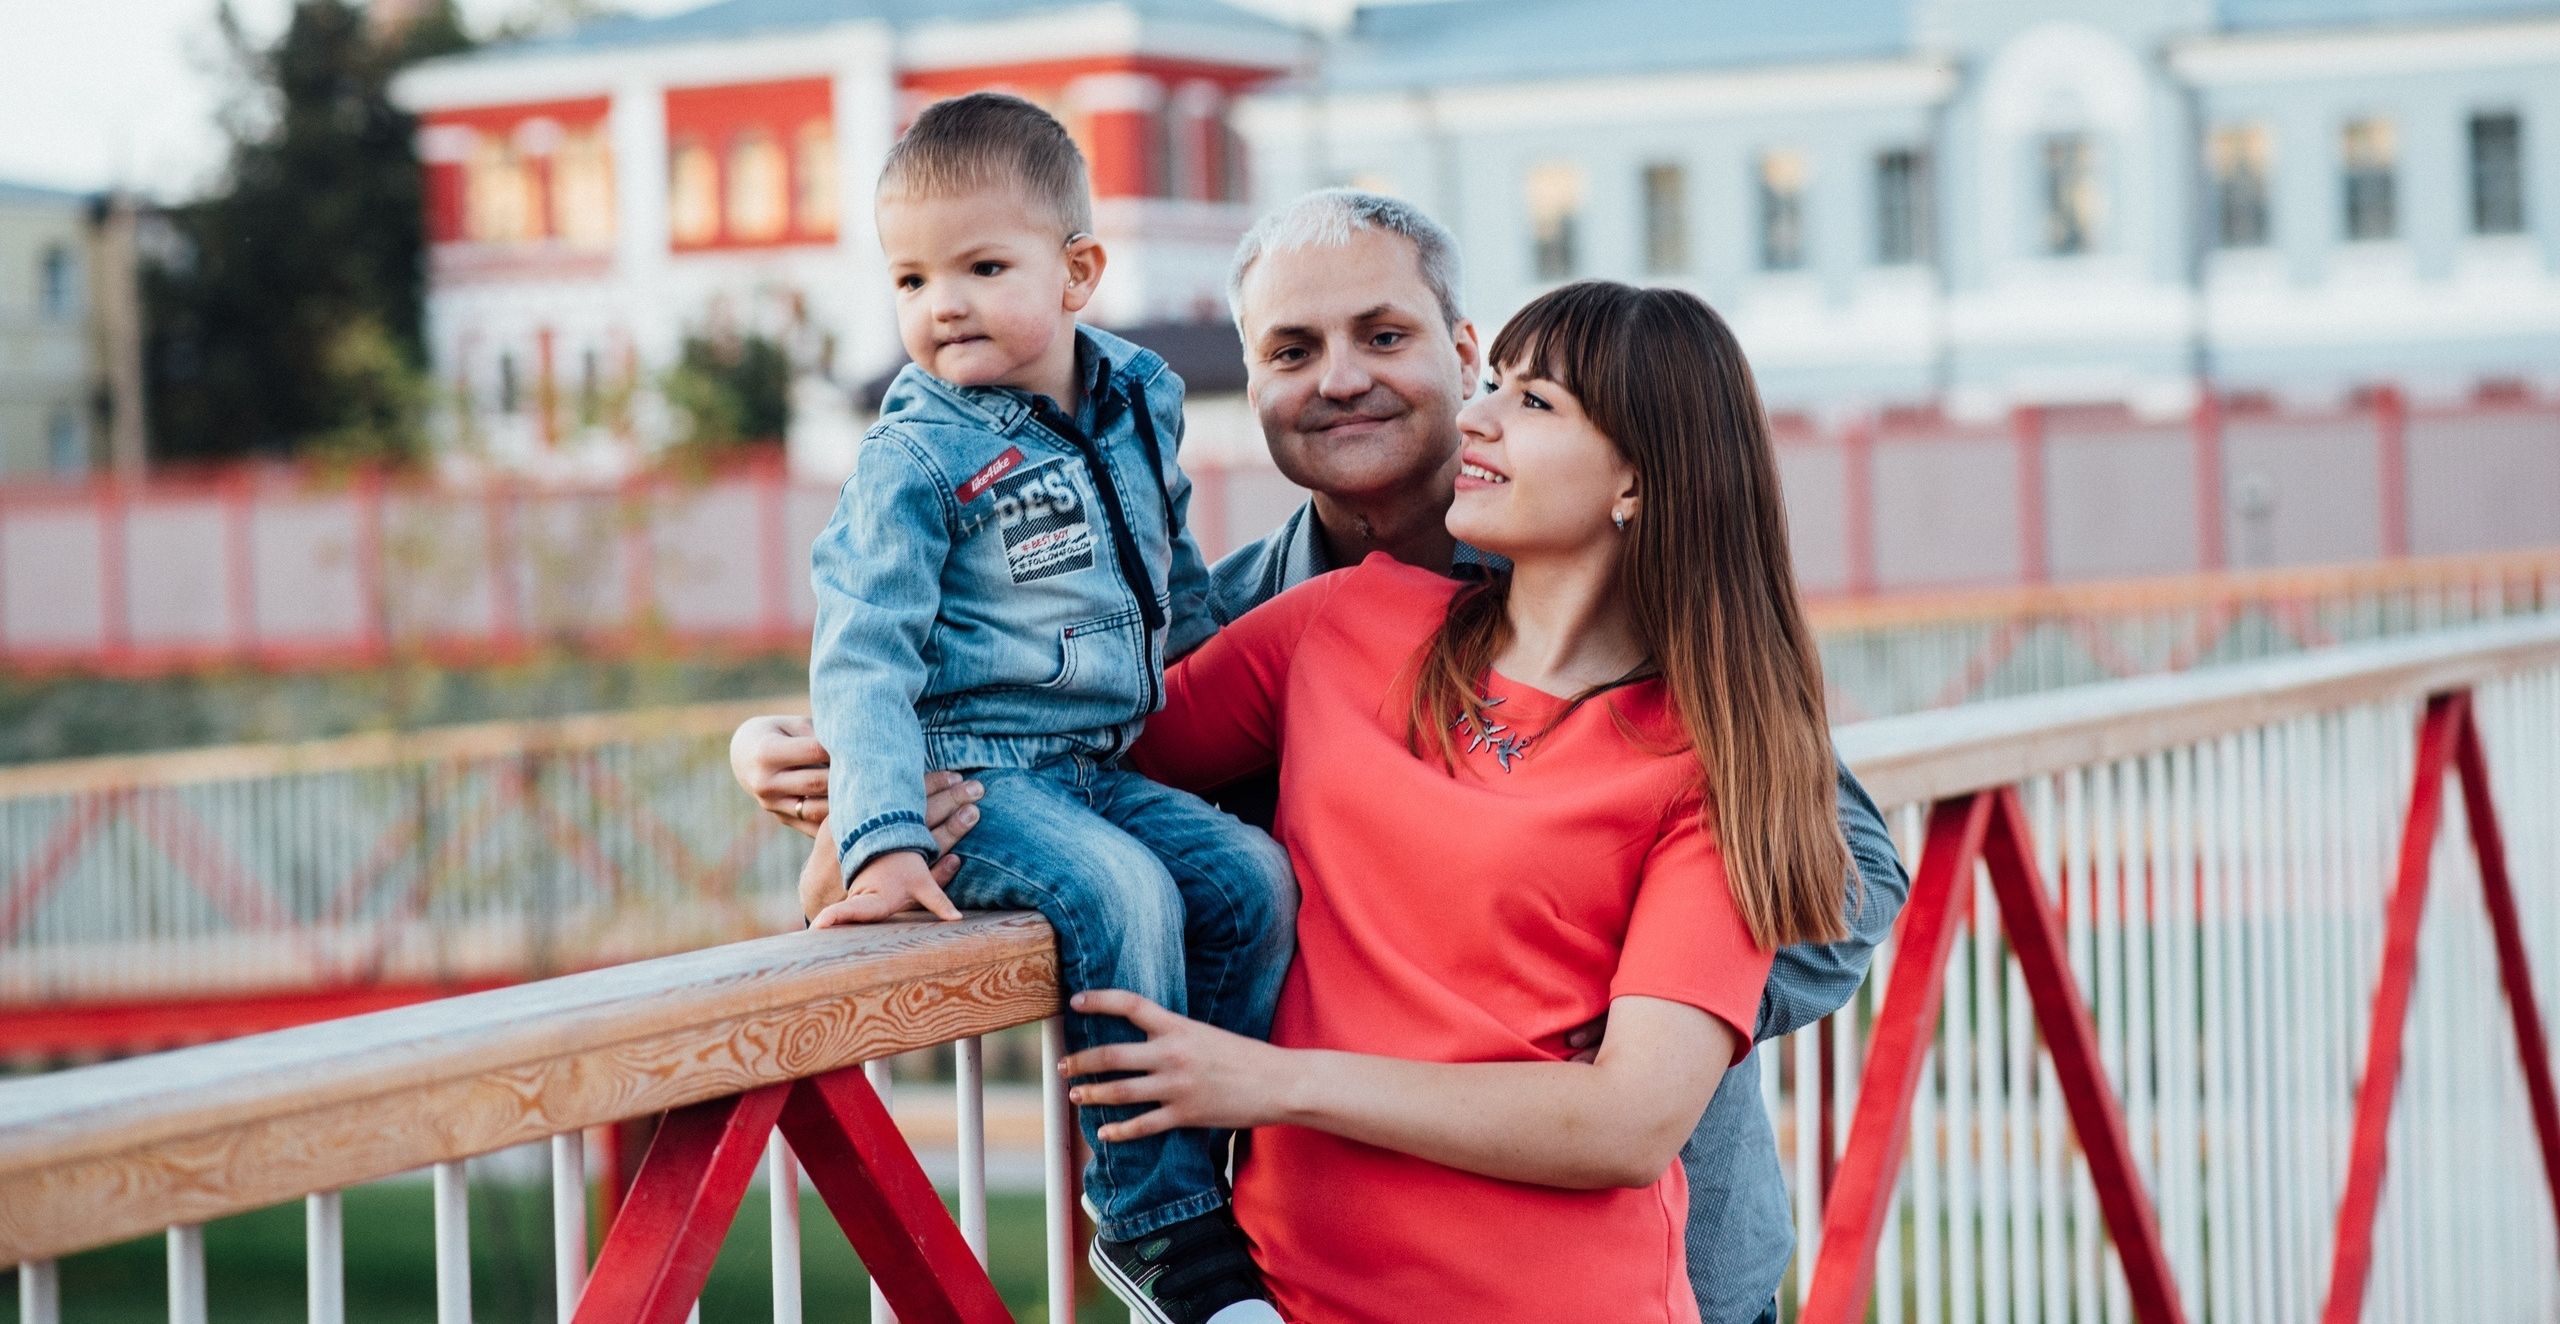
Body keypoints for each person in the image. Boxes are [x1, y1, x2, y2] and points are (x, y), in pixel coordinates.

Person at [738, 190, 1909, 1324]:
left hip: (1654, 1257)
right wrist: (851, 779)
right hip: (1309, 1262)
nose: (1339, 376)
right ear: (1250, 386)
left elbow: (1838, 878)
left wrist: (1595, 1007)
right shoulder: (1265, 623)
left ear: (1457, 351)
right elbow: (1049, 749)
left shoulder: (1677, 682)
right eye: (1292, 348)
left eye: (1383, 335)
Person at [1057, 278, 1853, 1321]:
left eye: (1534, 402)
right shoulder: (1340, 621)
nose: (1473, 415)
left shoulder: (1713, 760)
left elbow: (1627, 1120)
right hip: (1290, 1297)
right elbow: (1077, 762)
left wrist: (1272, 1079)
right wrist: (859, 784)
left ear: (1639, 481)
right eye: (1491, 383)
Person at [806, 91, 1292, 1324]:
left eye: (981, 266)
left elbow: (1167, 568)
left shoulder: (1137, 393)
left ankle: (1213, 1166)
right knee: (1122, 892)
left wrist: (1228, 695)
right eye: (910, 279)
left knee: (1248, 880)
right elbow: (861, 653)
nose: (943, 305)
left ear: (1078, 270)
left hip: (1097, 757)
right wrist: (882, 834)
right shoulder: (915, 456)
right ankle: (1155, 1222)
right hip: (977, 773)